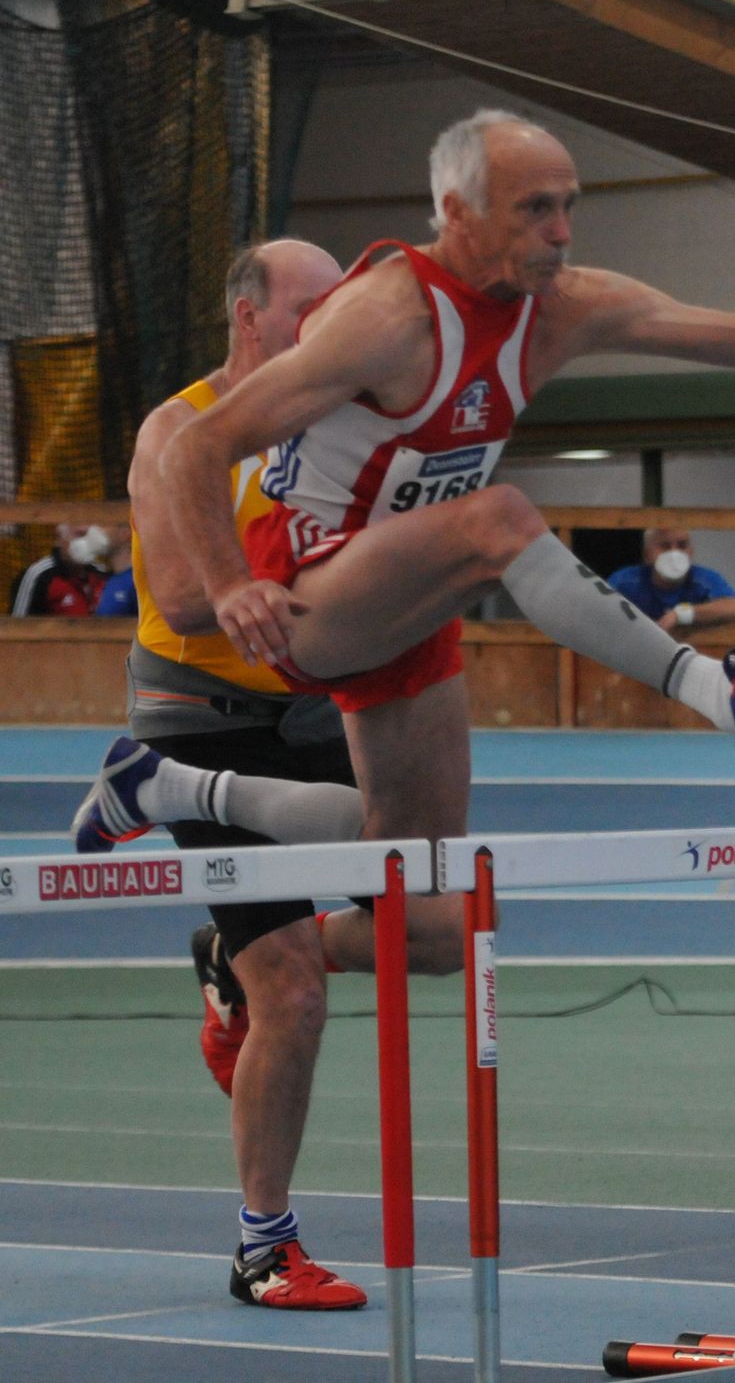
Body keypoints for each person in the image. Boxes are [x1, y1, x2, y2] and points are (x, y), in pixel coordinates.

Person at [151, 108, 735, 875]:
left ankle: (183, 806)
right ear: (458, 213)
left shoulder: (568, 308)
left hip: (414, 594)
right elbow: (197, 446)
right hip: (309, 598)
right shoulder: (385, 319)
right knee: (499, 520)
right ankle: (724, 697)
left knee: (430, 903)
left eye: (568, 207)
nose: (561, 233)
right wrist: (229, 585)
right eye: (534, 210)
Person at [72, 239, 375, 1310]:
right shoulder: (180, 430)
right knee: (293, 992)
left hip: (317, 708)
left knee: (442, 926)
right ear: (250, 317)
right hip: (200, 717)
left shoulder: (344, 424)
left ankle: (228, 961)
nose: (331, 322)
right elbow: (186, 598)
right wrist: (333, 589)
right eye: (310, 305)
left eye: (342, 304)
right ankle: (264, 1249)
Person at [607, 526, 735, 637]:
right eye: (665, 546)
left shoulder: (702, 579)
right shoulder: (625, 581)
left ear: (691, 552)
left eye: (682, 545)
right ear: (647, 555)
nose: (674, 553)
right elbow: (600, 610)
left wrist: (681, 614)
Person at [12, 522, 116, 616]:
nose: (84, 543)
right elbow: (17, 625)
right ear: (60, 536)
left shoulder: (101, 573)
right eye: (79, 536)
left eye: (87, 537)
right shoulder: (39, 576)